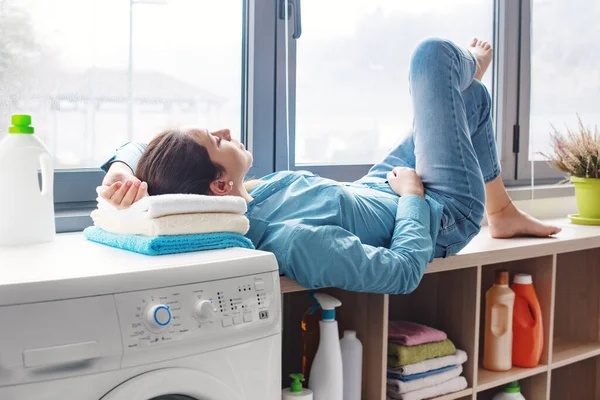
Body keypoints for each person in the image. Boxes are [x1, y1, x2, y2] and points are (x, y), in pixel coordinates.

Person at [99, 38, 561, 294]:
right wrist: (415, 200)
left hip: (378, 186)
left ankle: (500, 212)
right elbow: (400, 272)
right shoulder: (290, 240)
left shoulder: (243, 199)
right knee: (434, 57)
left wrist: (122, 170)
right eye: (214, 140)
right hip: (437, 210)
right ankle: (466, 69)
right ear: (219, 185)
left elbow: (151, 152)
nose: (223, 128)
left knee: (471, 99)